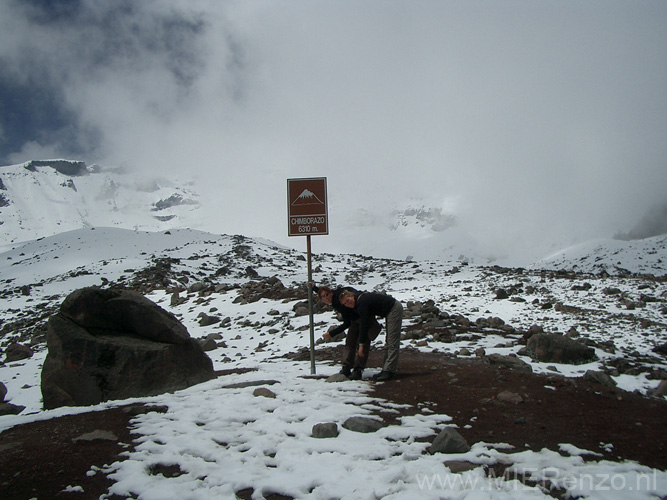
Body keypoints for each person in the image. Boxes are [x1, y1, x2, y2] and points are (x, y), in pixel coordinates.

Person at [312, 283, 381, 380]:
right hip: (355, 319)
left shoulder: (338, 302)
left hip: (364, 317)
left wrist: (331, 334)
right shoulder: (335, 296)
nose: (325, 298)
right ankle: (348, 367)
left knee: (362, 343)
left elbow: (346, 323)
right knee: (350, 341)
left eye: (326, 295)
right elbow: (324, 292)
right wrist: (314, 288)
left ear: (330, 292)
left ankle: (357, 369)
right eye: (322, 297)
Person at [339, 289, 403, 382]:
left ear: (352, 296)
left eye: (348, 300)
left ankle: (389, 371)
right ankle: (386, 369)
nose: (348, 304)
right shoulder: (359, 301)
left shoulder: (361, 303)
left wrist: (361, 345)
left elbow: (364, 324)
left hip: (393, 309)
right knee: (389, 341)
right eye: (345, 304)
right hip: (387, 311)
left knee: (392, 341)